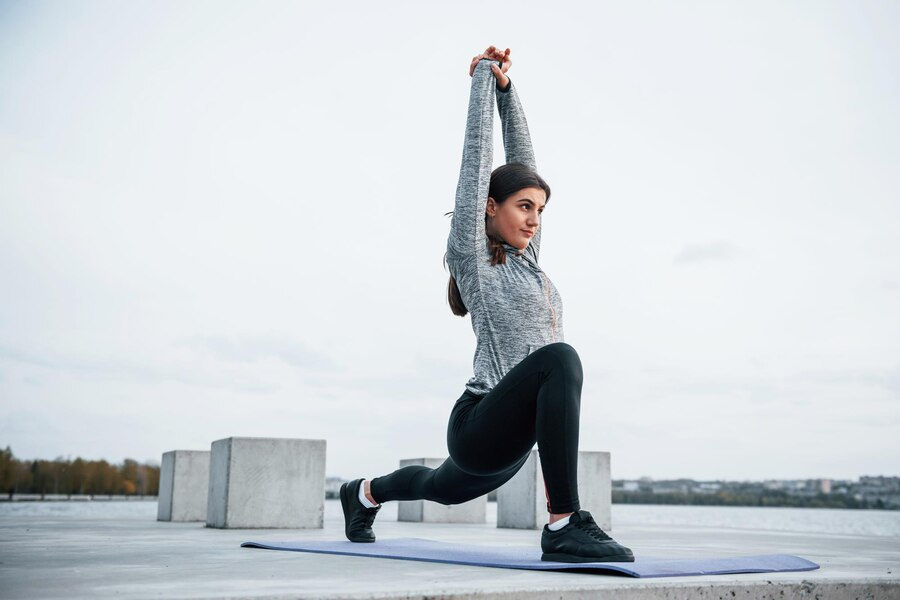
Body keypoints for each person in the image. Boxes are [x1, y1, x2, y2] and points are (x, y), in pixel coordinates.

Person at [340, 46, 634, 563]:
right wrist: (480, 80)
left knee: (438, 486)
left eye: (540, 210)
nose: (535, 219)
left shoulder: (529, 258)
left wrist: (507, 91)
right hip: (478, 424)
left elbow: (524, 161)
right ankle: (564, 523)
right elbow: (477, 161)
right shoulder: (473, 256)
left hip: (509, 446)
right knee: (560, 359)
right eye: (524, 207)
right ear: (490, 208)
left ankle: (362, 493)